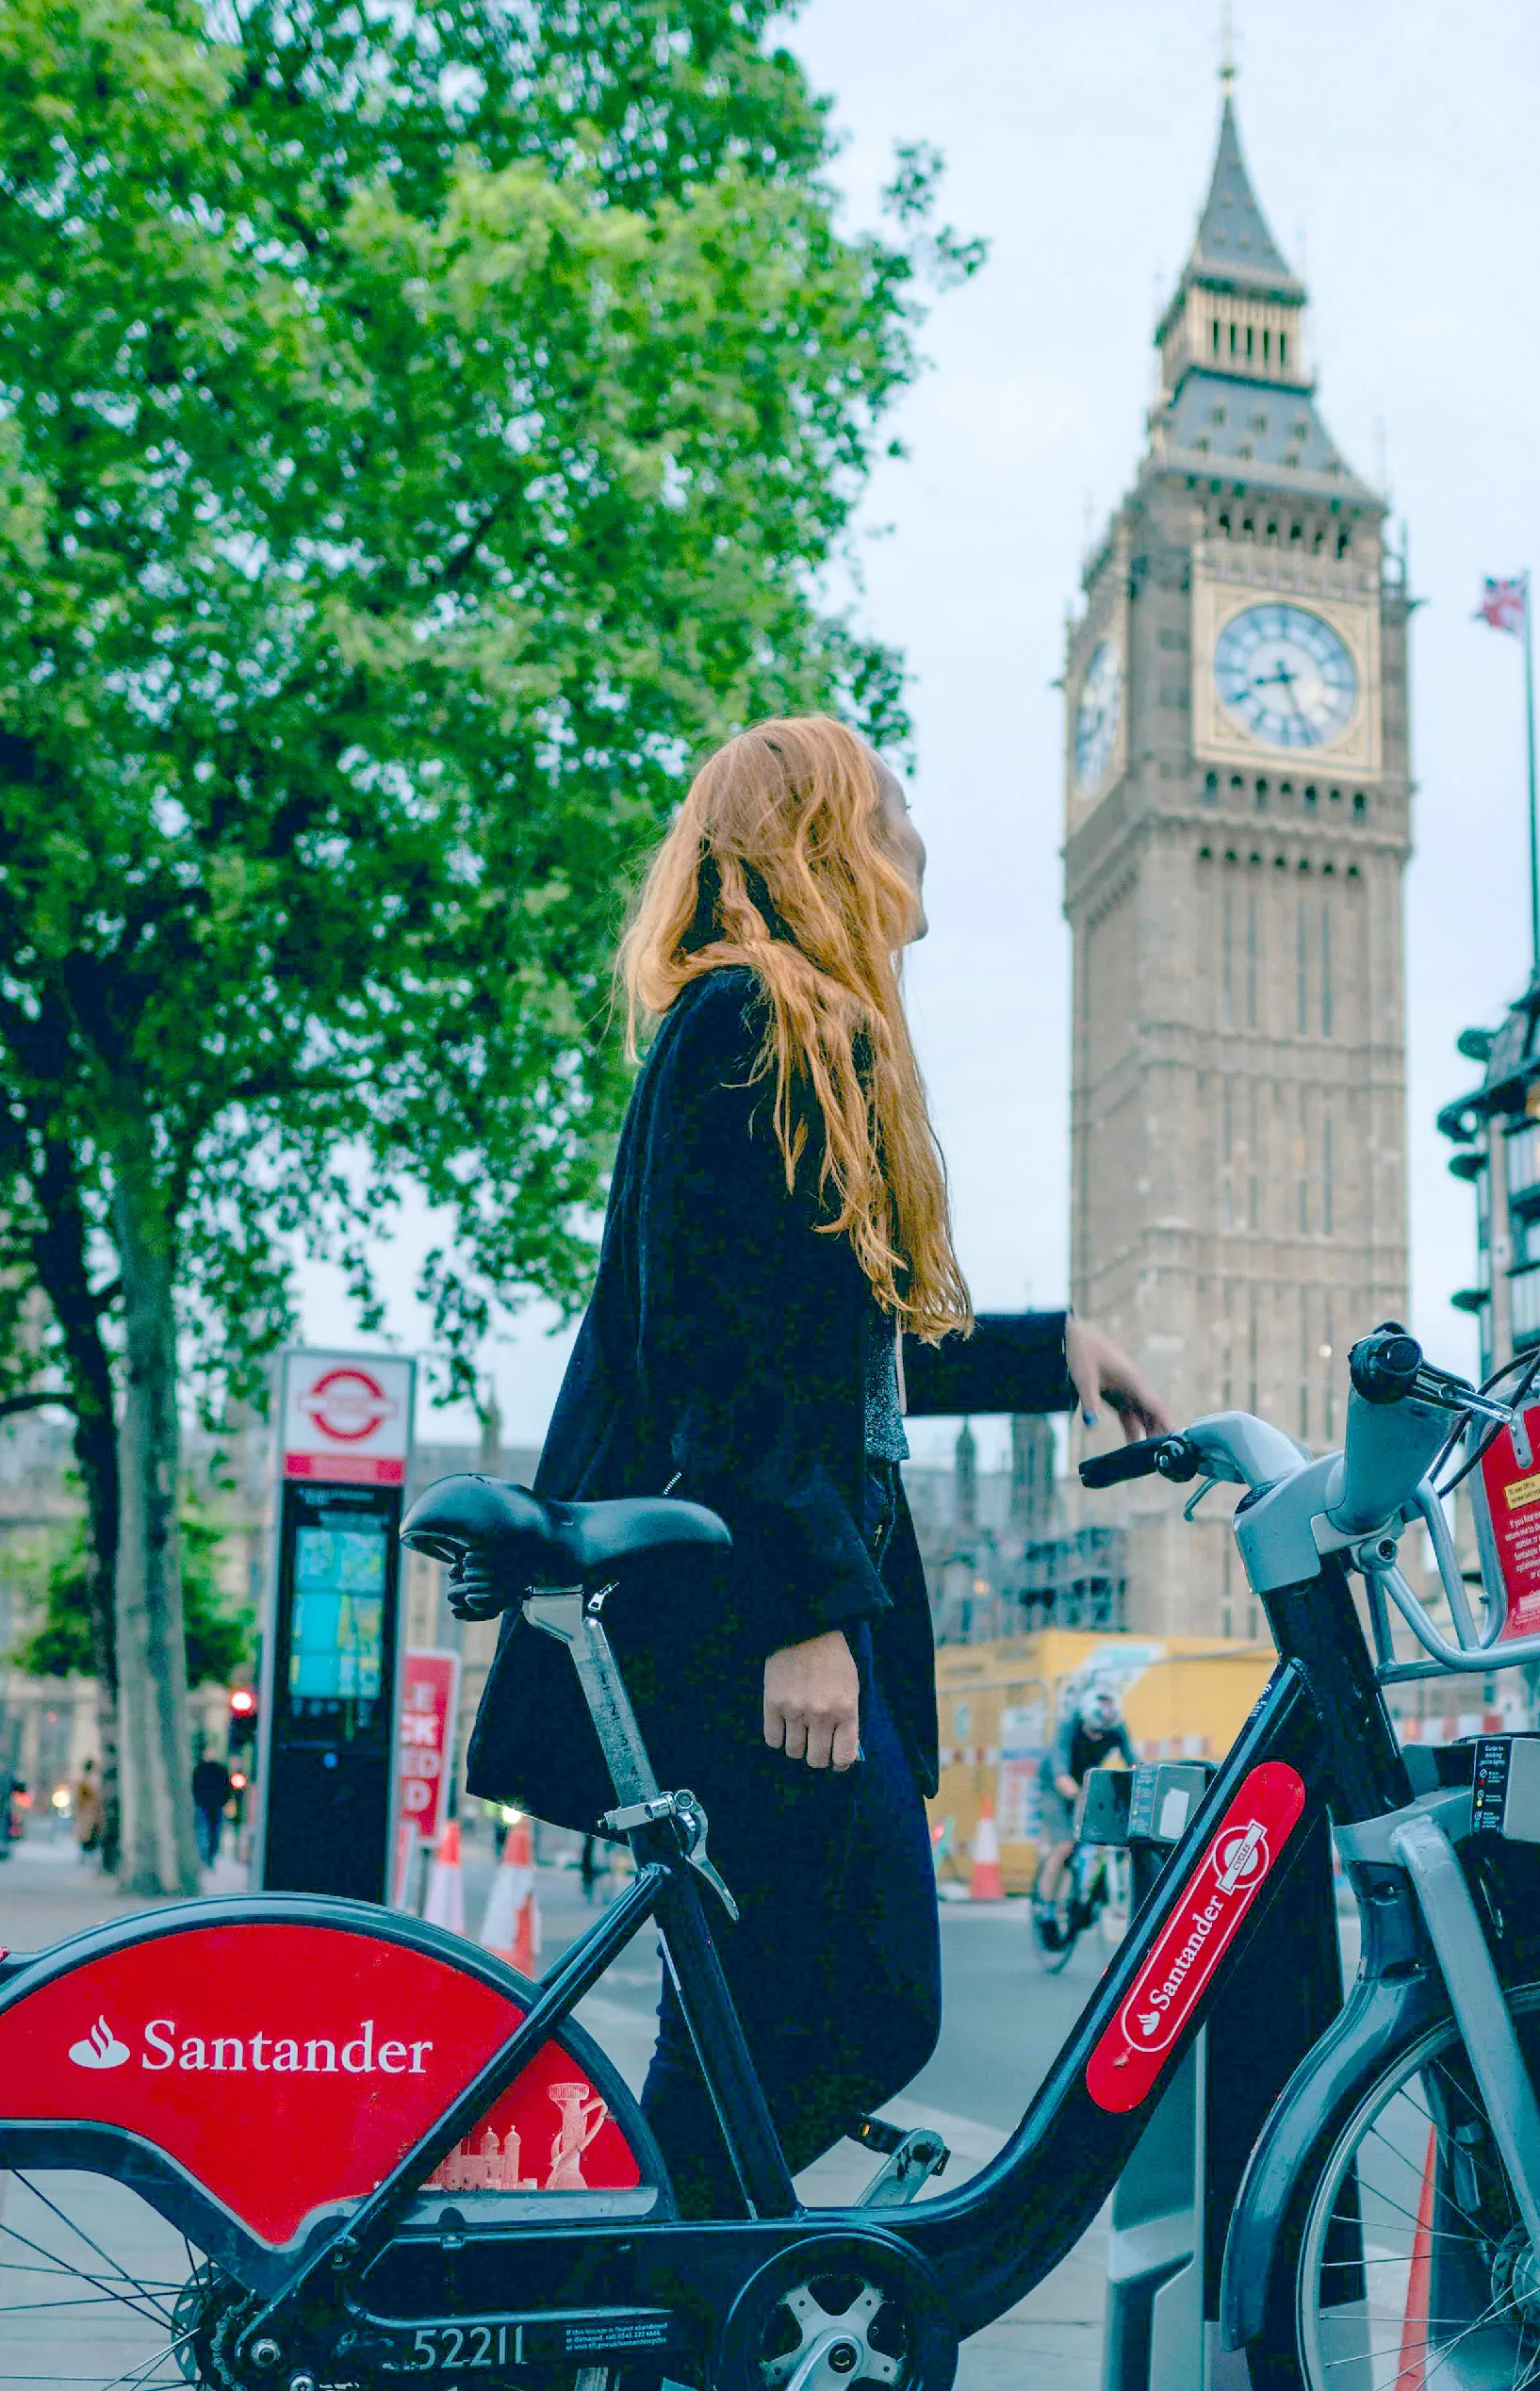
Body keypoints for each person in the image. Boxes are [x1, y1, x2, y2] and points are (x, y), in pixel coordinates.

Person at [466, 715, 1167, 2217]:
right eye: (891, 806)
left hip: (736, 1584)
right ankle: (662, 2299)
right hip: (732, 1608)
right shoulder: (754, 1028)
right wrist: (802, 1615)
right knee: (870, 1997)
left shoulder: (781, 1032)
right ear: (819, 839)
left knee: (747, 2009)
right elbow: (719, 1348)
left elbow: (842, 1346)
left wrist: (1056, 1353)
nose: (918, 836)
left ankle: (671, 2304)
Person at [1033, 1682, 1134, 1918]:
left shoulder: (1116, 1727)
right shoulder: (1069, 1725)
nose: (1098, 1738)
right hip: (1054, 1784)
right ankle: (1045, 1907)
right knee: (1064, 1845)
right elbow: (1060, 1774)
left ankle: (1087, 1889)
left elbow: (1134, 1762)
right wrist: (1078, 1796)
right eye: (1093, 1732)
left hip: (1087, 1782)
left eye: (1103, 1735)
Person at [190, 1749, 231, 1869]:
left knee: (207, 1831)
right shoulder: (219, 1770)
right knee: (210, 1832)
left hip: (208, 1805)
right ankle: (207, 1857)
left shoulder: (201, 1769)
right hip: (211, 1805)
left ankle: (206, 1857)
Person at [71, 1764, 102, 1862]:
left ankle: (87, 1855)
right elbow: (80, 1799)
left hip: (90, 1812)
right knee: (88, 1834)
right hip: (87, 1812)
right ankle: (86, 1855)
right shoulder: (85, 1782)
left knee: (90, 1834)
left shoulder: (87, 1781)